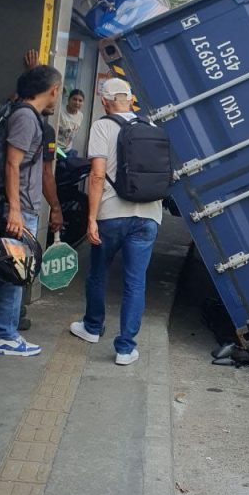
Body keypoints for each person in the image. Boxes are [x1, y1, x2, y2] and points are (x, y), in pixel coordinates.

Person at [69, 78, 162, 365]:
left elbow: (97, 176)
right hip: (148, 215)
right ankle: (125, 348)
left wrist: (91, 218)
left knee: (98, 272)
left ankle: (93, 327)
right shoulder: (153, 128)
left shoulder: (102, 126)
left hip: (111, 213)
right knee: (135, 282)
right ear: (131, 99)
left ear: (105, 102)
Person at [0, 65, 64, 356]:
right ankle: (4, 335)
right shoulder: (26, 117)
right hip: (18, 206)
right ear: (52, 89)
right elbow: (12, 164)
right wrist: (15, 210)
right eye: (58, 89)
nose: (58, 94)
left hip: (10, 204)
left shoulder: (21, 112)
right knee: (16, 272)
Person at [57, 88, 85, 153]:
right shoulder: (59, 112)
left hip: (68, 150)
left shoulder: (80, 115)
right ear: (69, 99)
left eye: (80, 101)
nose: (77, 103)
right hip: (56, 149)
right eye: (74, 99)